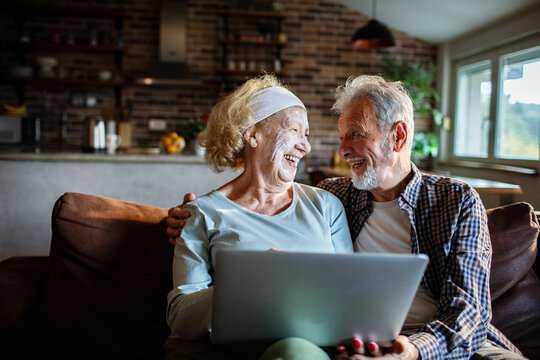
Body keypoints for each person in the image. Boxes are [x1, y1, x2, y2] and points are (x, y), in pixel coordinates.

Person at [167, 75, 525, 360]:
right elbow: (183, 311)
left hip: (434, 344)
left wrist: (411, 351)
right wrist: (243, 277)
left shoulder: (452, 201)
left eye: (355, 134)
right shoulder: (337, 195)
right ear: (253, 134)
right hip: (349, 344)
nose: (339, 149)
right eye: (342, 136)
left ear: (398, 136)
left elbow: (470, 315)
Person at [164, 74, 353, 360]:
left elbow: (351, 296)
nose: (305, 146)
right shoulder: (202, 214)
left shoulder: (325, 206)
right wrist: (248, 281)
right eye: (294, 130)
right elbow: (181, 316)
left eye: (307, 135)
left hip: (317, 347)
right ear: (253, 134)